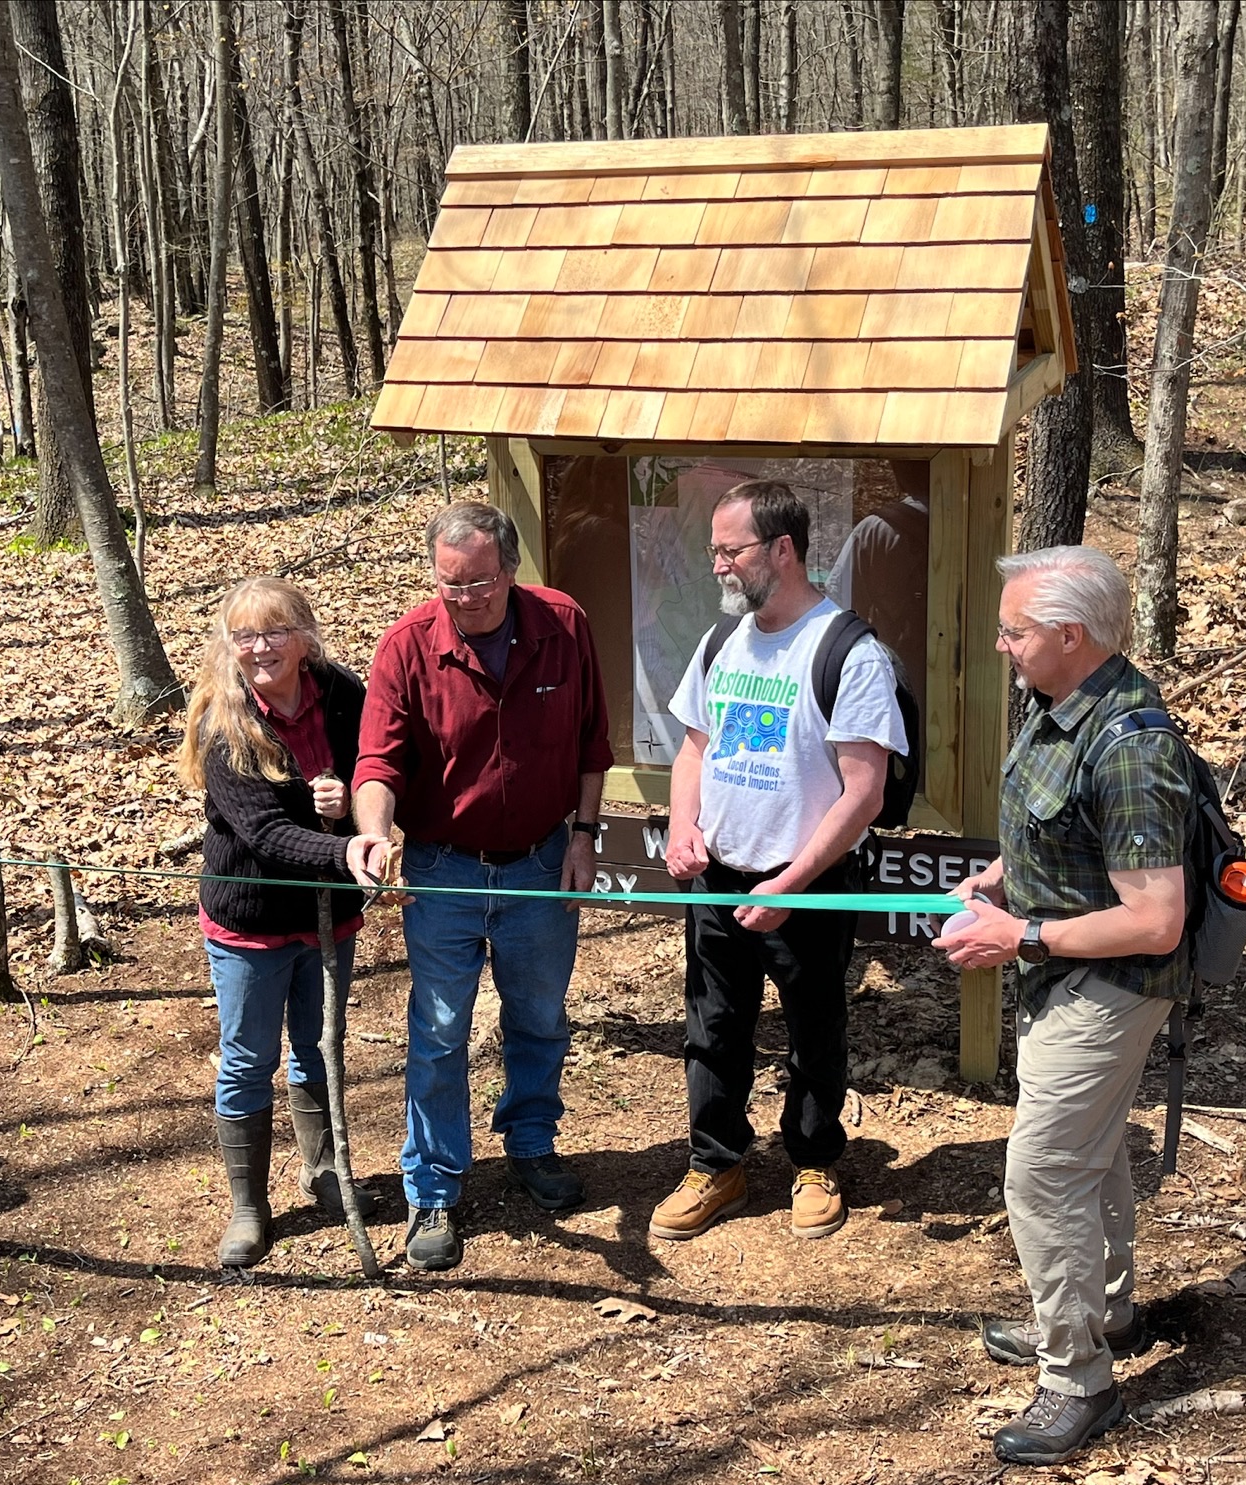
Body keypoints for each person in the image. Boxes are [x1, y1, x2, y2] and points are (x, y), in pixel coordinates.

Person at [935, 545, 1190, 1466]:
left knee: (1042, 1173)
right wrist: (1007, 877)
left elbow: (1156, 918)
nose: (1002, 645)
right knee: (1090, 1153)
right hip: (1067, 974)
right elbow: (1066, 821)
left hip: (1109, 987)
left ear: (1070, 636)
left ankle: (1076, 1377)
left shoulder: (1130, 745)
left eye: (1015, 630)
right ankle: (1108, 1311)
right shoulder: (1064, 707)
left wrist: (1021, 937)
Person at [347, 502, 612, 1272]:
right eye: (448, 584)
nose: (463, 599)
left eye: (480, 584)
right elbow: (377, 763)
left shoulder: (563, 625)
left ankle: (531, 1141)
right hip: (443, 866)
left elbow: (595, 739)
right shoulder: (407, 645)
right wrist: (374, 831)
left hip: (539, 861)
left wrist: (585, 836)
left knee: (538, 1014)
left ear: (512, 570)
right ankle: (431, 1183)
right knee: (437, 1030)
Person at [652, 481, 906, 1244]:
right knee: (713, 1025)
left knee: (814, 1026)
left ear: (783, 550)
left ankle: (815, 1161)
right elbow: (696, 744)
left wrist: (792, 881)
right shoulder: (721, 641)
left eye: (731, 551)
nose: (719, 566)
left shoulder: (848, 652)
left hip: (812, 881)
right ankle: (716, 1163)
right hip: (719, 876)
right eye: (713, 552)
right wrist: (681, 825)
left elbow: (863, 793)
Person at [177, 577, 384, 1269]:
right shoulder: (222, 721)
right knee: (247, 1058)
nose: (260, 647)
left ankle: (323, 1167)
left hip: (328, 918)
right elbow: (264, 832)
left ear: (304, 635)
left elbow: (378, 768)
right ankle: (248, 1203)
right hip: (252, 923)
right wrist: (342, 842)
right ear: (229, 646)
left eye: (275, 631)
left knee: (318, 1046)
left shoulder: (343, 694)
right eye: (245, 635)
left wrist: (350, 795)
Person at [827, 459, 930, 701]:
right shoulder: (966, 520)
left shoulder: (874, 529)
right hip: (960, 664)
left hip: (892, 665)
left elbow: (840, 597)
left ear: (900, 475)